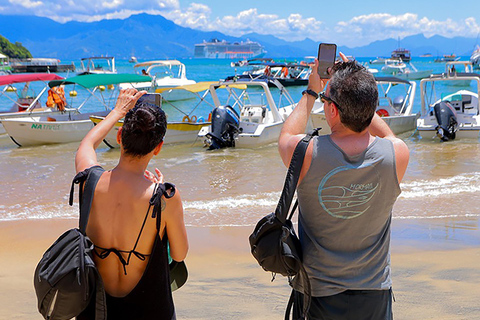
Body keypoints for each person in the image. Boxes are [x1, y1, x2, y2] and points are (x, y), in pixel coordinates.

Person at [278, 53, 409, 320]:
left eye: (327, 101)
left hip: (317, 292)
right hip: (374, 290)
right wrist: (358, 87)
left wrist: (312, 90)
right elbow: (388, 136)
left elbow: (286, 136)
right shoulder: (396, 155)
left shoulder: (306, 153)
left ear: (332, 110)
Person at [76, 89, 188, 320]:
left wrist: (118, 110)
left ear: (119, 137)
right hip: (150, 310)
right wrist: (158, 189)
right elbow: (179, 254)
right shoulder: (165, 197)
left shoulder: (89, 181)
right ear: (158, 147)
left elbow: (87, 144)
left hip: (95, 310)